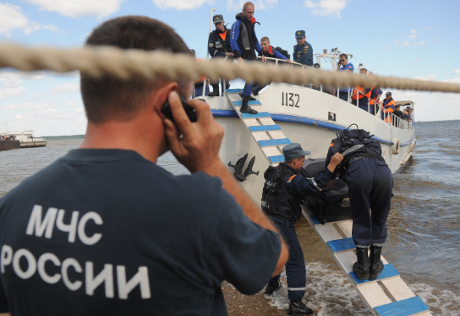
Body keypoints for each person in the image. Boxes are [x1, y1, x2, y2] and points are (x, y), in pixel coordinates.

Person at [0, 16, 290, 316]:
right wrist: (210, 164)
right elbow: (273, 259)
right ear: (170, 101)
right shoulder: (198, 204)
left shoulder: (13, 205)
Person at [263, 143, 343, 315]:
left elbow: (285, 187)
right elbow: (315, 185)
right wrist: (332, 165)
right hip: (281, 222)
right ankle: (296, 304)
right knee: (295, 261)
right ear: (296, 160)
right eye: (302, 160)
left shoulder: (274, 171)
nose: (304, 162)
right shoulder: (292, 180)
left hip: (267, 220)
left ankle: (271, 285)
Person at [325, 128, 393, 280]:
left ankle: (362, 266)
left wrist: (325, 189)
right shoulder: (373, 143)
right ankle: (375, 265)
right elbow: (375, 161)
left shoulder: (336, 144)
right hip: (384, 174)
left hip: (359, 172)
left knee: (361, 216)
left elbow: (330, 171)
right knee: (380, 216)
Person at [230, 1, 264, 114]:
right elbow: (233, 41)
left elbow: (255, 40)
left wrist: (261, 53)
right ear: (243, 11)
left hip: (252, 56)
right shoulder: (237, 24)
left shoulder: (251, 24)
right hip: (243, 56)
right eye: (249, 12)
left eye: (253, 13)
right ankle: (244, 106)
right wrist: (238, 57)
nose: (251, 15)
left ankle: (246, 94)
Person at [208, 14, 233, 96]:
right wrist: (225, 54)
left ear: (223, 22)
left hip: (230, 60)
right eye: (216, 24)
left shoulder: (231, 33)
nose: (218, 25)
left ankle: (226, 85)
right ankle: (215, 89)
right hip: (218, 59)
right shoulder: (212, 35)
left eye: (219, 23)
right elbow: (211, 51)